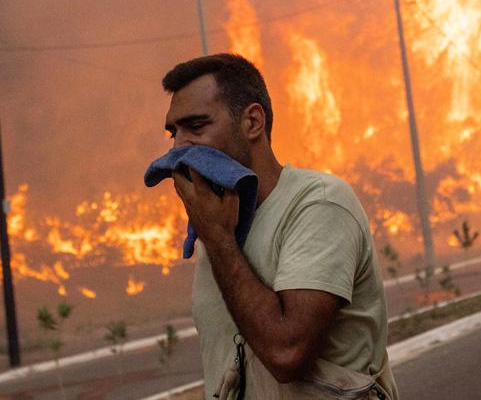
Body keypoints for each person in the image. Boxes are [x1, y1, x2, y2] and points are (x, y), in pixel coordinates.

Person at [162, 54, 397, 399]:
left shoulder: (318, 204)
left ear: (253, 122)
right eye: (173, 131)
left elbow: (287, 353)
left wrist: (218, 238)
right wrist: (216, 236)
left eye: (196, 127)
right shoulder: (220, 225)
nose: (178, 146)